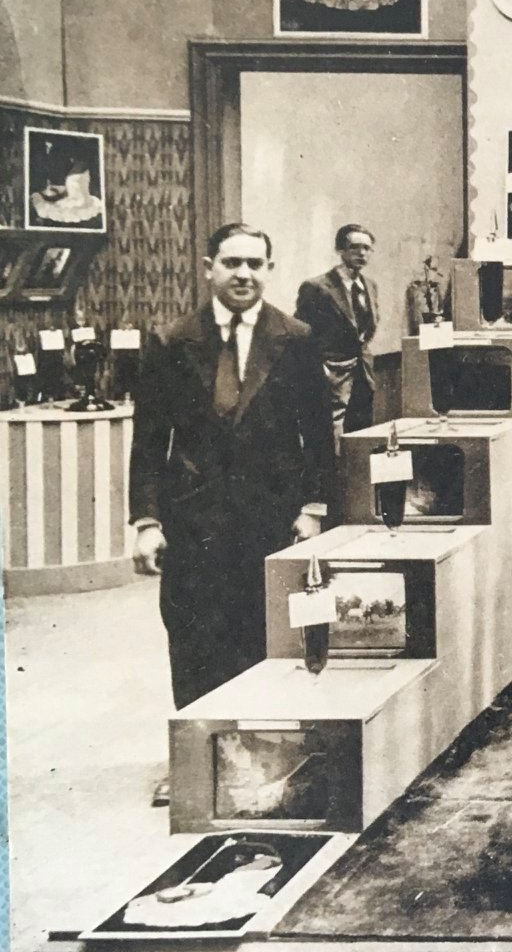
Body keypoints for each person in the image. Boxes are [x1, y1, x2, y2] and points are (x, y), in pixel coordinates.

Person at [131, 223, 334, 802]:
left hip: (273, 521)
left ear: (269, 269)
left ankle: (269, 756)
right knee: (193, 638)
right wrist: (147, 522)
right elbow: (149, 441)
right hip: (193, 525)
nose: (243, 273)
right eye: (231, 262)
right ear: (208, 268)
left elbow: (319, 436)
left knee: (263, 637)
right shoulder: (171, 342)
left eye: (255, 263)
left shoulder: (296, 339)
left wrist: (314, 509)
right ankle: (196, 763)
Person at [294, 224, 380, 435]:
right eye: (354, 247)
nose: (361, 253)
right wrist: (320, 366)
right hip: (330, 374)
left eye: (367, 248)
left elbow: (367, 328)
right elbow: (301, 332)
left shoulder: (370, 285)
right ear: (340, 250)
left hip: (362, 371)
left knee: (361, 429)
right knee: (331, 433)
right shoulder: (317, 287)